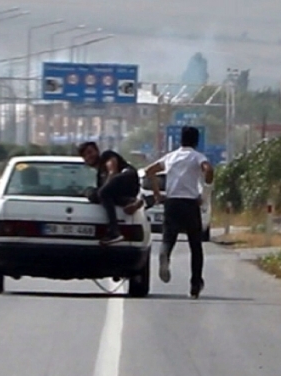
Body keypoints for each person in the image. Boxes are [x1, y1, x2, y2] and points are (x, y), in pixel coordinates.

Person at [144, 126, 214, 298]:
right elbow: (209, 170)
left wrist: (157, 193)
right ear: (196, 141)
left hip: (172, 202)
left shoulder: (171, 156)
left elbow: (149, 171)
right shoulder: (197, 156)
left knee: (169, 237)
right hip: (190, 204)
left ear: (180, 140)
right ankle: (195, 284)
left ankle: (164, 255)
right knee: (195, 246)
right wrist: (205, 193)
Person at [78, 141, 144, 245]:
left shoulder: (106, 156)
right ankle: (131, 202)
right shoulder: (99, 176)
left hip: (128, 177)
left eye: (90, 152)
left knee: (102, 193)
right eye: (85, 155)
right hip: (124, 191)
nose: (88, 156)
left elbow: (112, 171)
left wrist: (102, 190)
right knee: (99, 195)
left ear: (97, 151)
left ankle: (114, 231)